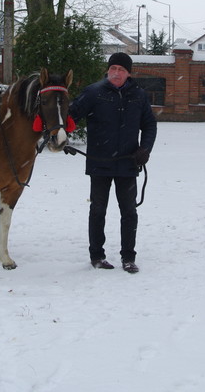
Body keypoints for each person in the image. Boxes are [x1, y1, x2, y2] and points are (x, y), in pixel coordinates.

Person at [69, 52, 157, 274]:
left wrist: (144, 149)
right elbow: (70, 116)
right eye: (113, 68)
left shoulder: (138, 95)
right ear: (108, 70)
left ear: (128, 73)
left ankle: (128, 257)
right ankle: (97, 255)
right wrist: (59, 135)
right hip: (100, 163)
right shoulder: (93, 93)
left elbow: (149, 125)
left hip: (128, 163)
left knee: (129, 211)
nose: (116, 73)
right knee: (98, 210)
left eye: (121, 69)